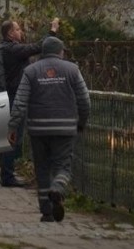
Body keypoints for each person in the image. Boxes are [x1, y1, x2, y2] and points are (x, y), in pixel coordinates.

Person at [8, 37, 90, 223]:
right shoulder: (72, 70)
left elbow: (20, 102)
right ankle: (58, 188)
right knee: (63, 166)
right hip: (65, 128)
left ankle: (46, 212)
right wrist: (81, 122)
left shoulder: (30, 71)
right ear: (61, 51)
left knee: (42, 168)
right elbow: (85, 101)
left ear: (43, 52)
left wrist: (13, 126)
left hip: (38, 129)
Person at [0, 17, 60, 187]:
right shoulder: (12, 49)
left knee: (12, 136)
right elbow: (37, 47)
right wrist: (52, 31)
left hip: (12, 95)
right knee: (13, 137)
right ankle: (8, 175)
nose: (21, 32)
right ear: (10, 33)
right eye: (17, 29)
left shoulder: (7, 48)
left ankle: (7, 173)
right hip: (15, 96)